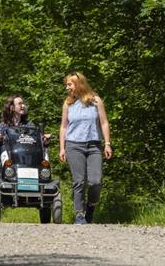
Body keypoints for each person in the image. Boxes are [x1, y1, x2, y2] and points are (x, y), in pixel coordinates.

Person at [59, 71, 112, 224]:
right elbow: (63, 127)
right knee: (79, 181)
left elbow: (104, 123)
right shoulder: (68, 104)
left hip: (94, 144)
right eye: (66, 85)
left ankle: (91, 206)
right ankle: (79, 215)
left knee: (96, 181)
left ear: (79, 84)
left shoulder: (96, 101)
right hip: (74, 145)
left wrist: (107, 143)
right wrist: (62, 148)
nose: (67, 88)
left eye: (69, 84)